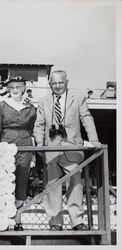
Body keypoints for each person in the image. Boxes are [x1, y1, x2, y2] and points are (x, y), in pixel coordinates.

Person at [34, 70, 101, 231]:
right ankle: (55, 223)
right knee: (52, 186)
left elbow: (86, 118)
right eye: (54, 83)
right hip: (51, 150)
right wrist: (39, 144)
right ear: (50, 84)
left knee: (75, 185)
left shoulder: (77, 97)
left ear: (66, 82)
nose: (57, 86)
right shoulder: (43, 101)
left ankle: (77, 222)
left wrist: (94, 140)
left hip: (72, 147)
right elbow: (39, 125)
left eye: (60, 83)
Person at [0, 78, 37, 231]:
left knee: (22, 183)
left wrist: (34, 156)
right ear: (8, 90)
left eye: (18, 87)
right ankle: (3, 221)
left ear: (24, 88)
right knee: (4, 183)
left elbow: (33, 133)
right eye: (11, 87)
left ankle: (18, 219)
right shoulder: (1, 106)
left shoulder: (31, 108)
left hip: (25, 149)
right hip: (5, 147)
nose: (15, 89)